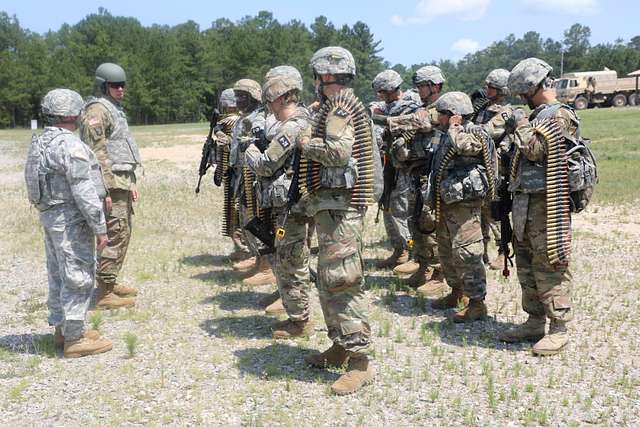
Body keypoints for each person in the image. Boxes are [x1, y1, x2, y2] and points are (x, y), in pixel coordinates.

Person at [300, 46, 376, 395]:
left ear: (325, 77)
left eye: (318, 77)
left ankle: (360, 362)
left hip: (343, 211)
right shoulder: (337, 105)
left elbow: (338, 152)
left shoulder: (341, 107)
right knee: (330, 280)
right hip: (333, 207)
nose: (316, 83)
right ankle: (341, 345)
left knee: (344, 280)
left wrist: (305, 142)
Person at [25, 88, 112, 357]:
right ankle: (75, 339)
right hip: (71, 220)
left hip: (50, 217)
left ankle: (64, 329)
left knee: (58, 273)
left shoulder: (40, 142)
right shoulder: (71, 145)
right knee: (78, 274)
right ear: (74, 114)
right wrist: (99, 227)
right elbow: (84, 190)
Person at [499, 58, 576, 355]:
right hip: (525, 204)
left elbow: (535, 151)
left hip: (548, 205)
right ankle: (534, 320)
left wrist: (519, 123)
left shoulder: (559, 116)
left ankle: (559, 328)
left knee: (550, 263)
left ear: (534, 86)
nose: (520, 99)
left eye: (522, 93)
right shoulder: (537, 116)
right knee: (527, 263)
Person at [244, 65, 313, 337]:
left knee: (291, 261)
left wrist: (248, 149)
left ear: (283, 97)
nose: (268, 105)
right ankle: (296, 313)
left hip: (292, 208)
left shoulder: (292, 127)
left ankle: (299, 320)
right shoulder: (297, 123)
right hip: (292, 206)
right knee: (291, 258)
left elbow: (265, 165)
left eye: (270, 99)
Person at [426, 92, 495, 322]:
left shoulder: (473, 132)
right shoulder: (444, 134)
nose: (438, 118)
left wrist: (455, 128)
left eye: (442, 114)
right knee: (446, 250)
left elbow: (466, 147)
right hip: (446, 202)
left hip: (464, 205)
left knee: (467, 252)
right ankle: (457, 292)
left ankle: (477, 303)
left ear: (454, 116)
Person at [80, 63, 141, 310]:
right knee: (115, 233)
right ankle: (104, 292)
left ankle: (110, 281)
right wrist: (103, 188)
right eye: (115, 85)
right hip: (111, 183)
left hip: (122, 181)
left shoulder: (115, 109)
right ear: (104, 86)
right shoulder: (97, 110)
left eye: (123, 85)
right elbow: (97, 152)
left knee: (123, 232)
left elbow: (121, 148)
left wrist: (132, 182)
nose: (121, 89)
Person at [383, 66, 447, 295]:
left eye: (423, 86)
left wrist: (388, 121)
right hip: (415, 172)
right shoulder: (422, 108)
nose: (419, 90)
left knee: (430, 224)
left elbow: (423, 123)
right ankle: (424, 265)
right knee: (415, 222)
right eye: (418, 86)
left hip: (431, 173)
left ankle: (439, 273)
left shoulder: (442, 108)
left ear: (435, 86)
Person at [227, 79, 276, 287]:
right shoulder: (243, 118)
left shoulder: (259, 118)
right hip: (242, 174)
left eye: (243, 96)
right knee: (247, 218)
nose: (238, 100)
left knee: (258, 220)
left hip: (255, 176)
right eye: (237, 96)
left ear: (254, 97)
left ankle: (267, 266)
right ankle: (259, 259)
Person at [370, 69, 421, 269]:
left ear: (390, 89)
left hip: (405, 167)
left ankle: (411, 251)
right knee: (387, 207)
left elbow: (410, 127)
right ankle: (399, 250)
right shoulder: (384, 107)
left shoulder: (410, 107)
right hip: (387, 165)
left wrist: (384, 121)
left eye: (381, 91)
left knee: (401, 210)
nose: (379, 96)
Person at [471, 69, 519, 270]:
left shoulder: (506, 112)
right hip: (480, 166)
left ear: (501, 90)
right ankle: (481, 250)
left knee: (496, 212)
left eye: (491, 87)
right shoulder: (483, 108)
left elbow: (488, 131)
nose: (487, 90)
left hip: (497, 168)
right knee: (480, 211)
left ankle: (503, 251)